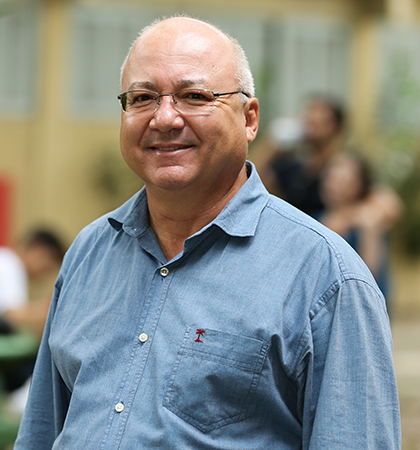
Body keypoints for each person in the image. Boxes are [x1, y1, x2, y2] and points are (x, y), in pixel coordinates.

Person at [15, 16, 401, 449]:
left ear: (249, 118)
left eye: (194, 96)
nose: (164, 118)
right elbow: (43, 431)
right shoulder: (89, 252)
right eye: (142, 97)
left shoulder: (325, 277)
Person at [319, 152, 401, 306]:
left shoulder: (369, 218)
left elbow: (370, 272)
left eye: (344, 179)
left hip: (363, 303)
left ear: (359, 184)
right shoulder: (315, 217)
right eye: (331, 177)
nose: (334, 185)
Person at [252, 96, 347, 216]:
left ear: (335, 126)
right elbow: (253, 174)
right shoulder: (295, 168)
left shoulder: (345, 169)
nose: (310, 123)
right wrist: (273, 142)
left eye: (317, 122)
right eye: (308, 121)